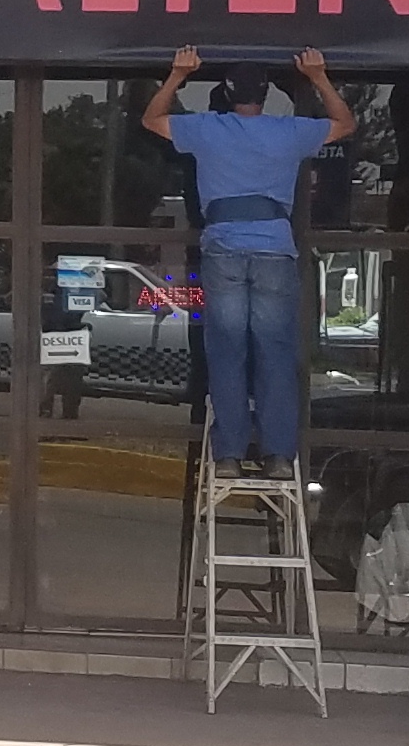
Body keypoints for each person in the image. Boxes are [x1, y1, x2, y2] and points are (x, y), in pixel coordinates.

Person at [144, 45, 354, 480]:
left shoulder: (206, 129)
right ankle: (278, 455)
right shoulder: (288, 132)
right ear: (265, 96)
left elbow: (151, 119)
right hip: (275, 248)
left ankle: (228, 456)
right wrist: (318, 77)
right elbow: (345, 123)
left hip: (223, 246)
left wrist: (177, 75)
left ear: (226, 92)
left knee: (227, 352)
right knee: (275, 352)